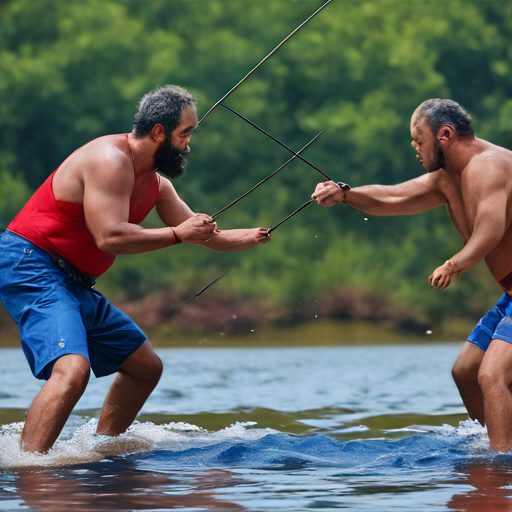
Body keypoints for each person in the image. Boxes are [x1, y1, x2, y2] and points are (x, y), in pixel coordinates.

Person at [0, 85, 269, 453]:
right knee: (73, 372)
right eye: (185, 134)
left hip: (74, 282)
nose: (189, 145)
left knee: (146, 367)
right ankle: (28, 466)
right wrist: (177, 234)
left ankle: (100, 447)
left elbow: (208, 237)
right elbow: (109, 237)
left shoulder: (158, 184)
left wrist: (255, 235)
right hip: (31, 264)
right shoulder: (109, 159)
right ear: (159, 132)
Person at [312, 98, 512, 452]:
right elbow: (391, 197)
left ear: (445, 135)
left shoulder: (490, 165)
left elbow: (490, 229)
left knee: (492, 375)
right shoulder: (445, 178)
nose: (414, 148)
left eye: (418, 139)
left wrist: (453, 264)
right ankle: (501, 442)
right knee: (465, 372)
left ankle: (501, 464)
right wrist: (344, 194)